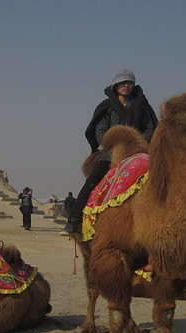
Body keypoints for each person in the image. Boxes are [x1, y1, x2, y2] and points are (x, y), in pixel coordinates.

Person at [60, 68, 157, 236]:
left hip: (138, 151)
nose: (126, 85)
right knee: (93, 180)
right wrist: (115, 142)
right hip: (113, 152)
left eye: (129, 82)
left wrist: (135, 141)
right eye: (122, 82)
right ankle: (74, 221)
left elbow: (149, 128)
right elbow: (100, 131)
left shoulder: (142, 105)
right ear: (115, 85)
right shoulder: (106, 107)